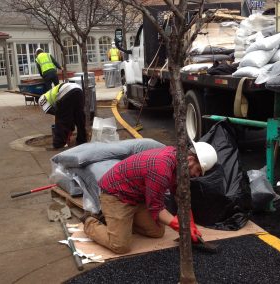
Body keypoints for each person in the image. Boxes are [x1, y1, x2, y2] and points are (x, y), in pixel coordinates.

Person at [81, 141, 218, 254]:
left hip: (138, 197)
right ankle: (89, 221)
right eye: (198, 170)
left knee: (157, 232)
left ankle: (119, 223)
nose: (198, 175)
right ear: (190, 159)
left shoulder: (181, 164)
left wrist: (190, 223)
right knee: (120, 246)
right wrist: (179, 226)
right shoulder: (161, 168)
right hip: (116, 196)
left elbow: (181, 197)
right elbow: (156, 208)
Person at [38, 82, 87, 149]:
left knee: (61, 120)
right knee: (79, 117)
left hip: (67, 93)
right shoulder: (51, 93)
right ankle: (82, 140)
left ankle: (58, 143)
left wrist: (60, 119)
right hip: (79, 90)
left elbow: (55, 112)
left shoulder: (41, 100)